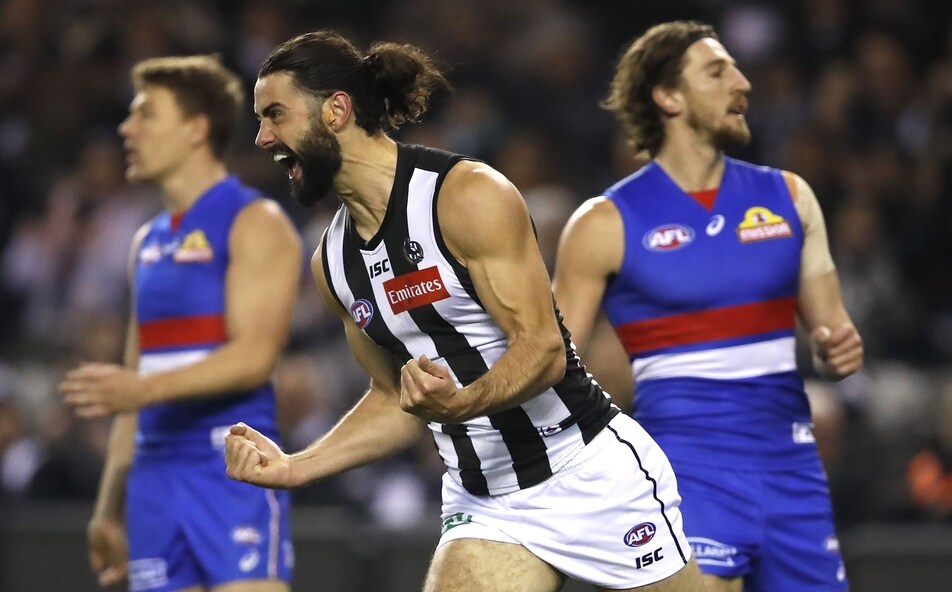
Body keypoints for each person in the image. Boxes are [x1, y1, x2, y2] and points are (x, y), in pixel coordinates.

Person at [224, 30, 704, 592]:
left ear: (336, 110)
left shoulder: (466, 195)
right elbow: (394, 399)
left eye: (275, 114)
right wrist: (296, 465)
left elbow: (544, 349)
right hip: (486, 503)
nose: (262, 137)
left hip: (587, 471)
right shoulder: (332, 264)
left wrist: (461, 404)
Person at [552, 21, 864, 592]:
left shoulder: (791, 198)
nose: (742, 84)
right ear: (668, 97)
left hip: (793, 473)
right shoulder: (603, 223)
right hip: (685, 473)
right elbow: (552, 360)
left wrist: (836, 351)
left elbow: (832, 334)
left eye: (737, 70)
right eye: (718, 73)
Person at [59, 55, 302, 592]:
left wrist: (142, 389)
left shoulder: (253, 222)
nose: (127, 129)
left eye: (146, 114)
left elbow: (254, 358)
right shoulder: (146, 242)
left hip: (230, 465)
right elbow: (135, 380)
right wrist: (108, 507)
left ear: (196, 128)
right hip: (153, 481)